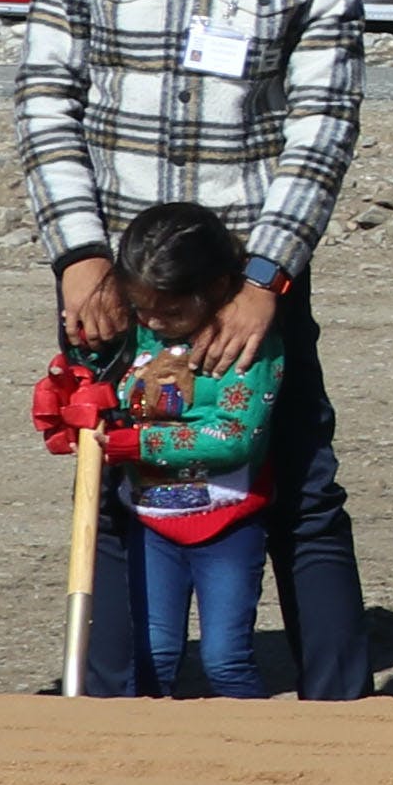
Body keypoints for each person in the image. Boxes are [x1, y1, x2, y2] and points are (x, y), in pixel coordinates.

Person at [18, 0, 374, 700]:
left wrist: (266, 277)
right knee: (119, 472)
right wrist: (83, 257)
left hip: (247, 290)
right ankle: (119, 700)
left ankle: (347, 708)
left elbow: (324, 121)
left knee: (299, 481)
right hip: (111, 277)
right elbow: (46, 95)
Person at [107, 199, 288, 701]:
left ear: (213, 290)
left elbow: (234, 436)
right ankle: (141, 761)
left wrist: (138, 442)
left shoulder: (249, 345)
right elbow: (110, 388)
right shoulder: (139, 331)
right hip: (150, 520)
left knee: (225, 659)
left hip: (226, 524)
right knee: (152, 656)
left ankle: (254, 760)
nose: (155, 321)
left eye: (171, 311)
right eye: (142, 308)